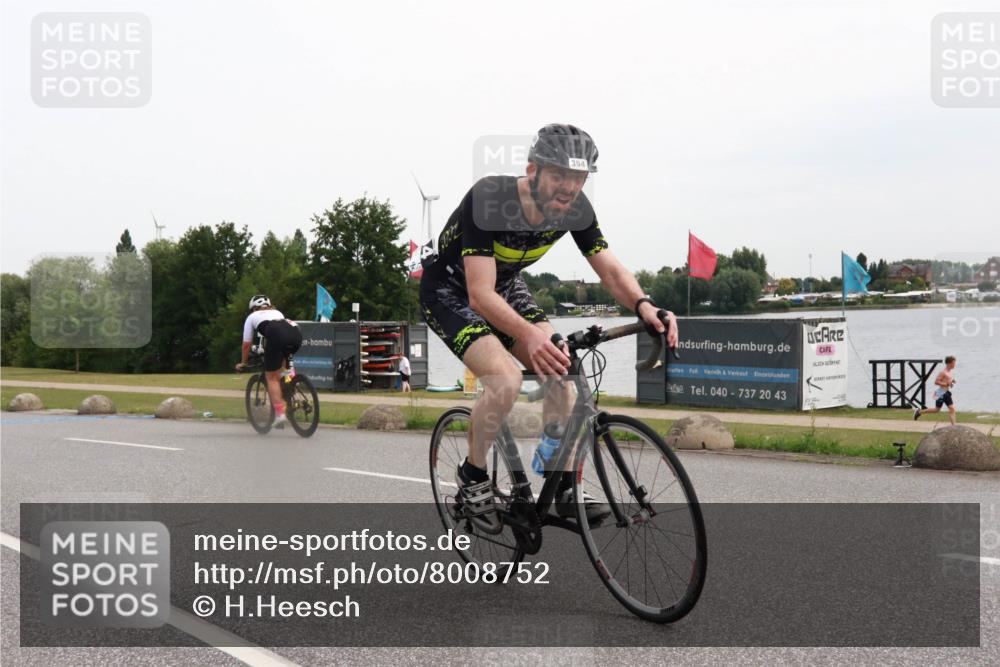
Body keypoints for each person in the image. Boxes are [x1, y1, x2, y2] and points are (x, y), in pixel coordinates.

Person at [419, 124, 678, 524]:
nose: (569, 187)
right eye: (559, 175)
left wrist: (644, 305)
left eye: (579, 178)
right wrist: (528, 334)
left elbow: (608, 269)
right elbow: (479, 294)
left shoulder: (576, 210)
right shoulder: (491, 198)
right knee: (504, 379)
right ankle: (473, 477)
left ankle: (561, 483)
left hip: (505, 287)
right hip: (453, 292)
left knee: (565, 377)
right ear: (532, 169)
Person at [235, 295, 303, 428]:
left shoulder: (251, 317)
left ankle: (280, 413)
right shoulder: (277, 312)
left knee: (271, 377)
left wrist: (243, 362)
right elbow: (274, 335)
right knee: (284, 364)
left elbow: (246, 345)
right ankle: (291, 381)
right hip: (296, 334)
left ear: (253, 308)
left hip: (277, 335)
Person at [914, 356, 957, 425]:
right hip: (941, 393)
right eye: (954, 363)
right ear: (949, 363)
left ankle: (953, 426)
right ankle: (919, 412)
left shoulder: (950, 372)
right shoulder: (943, 372)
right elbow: (936, 382)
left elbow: (948, 381)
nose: (955, 365)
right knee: (937, 410)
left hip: (946, 393)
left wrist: (951, 382)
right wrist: (946, 384)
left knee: (950, 409)